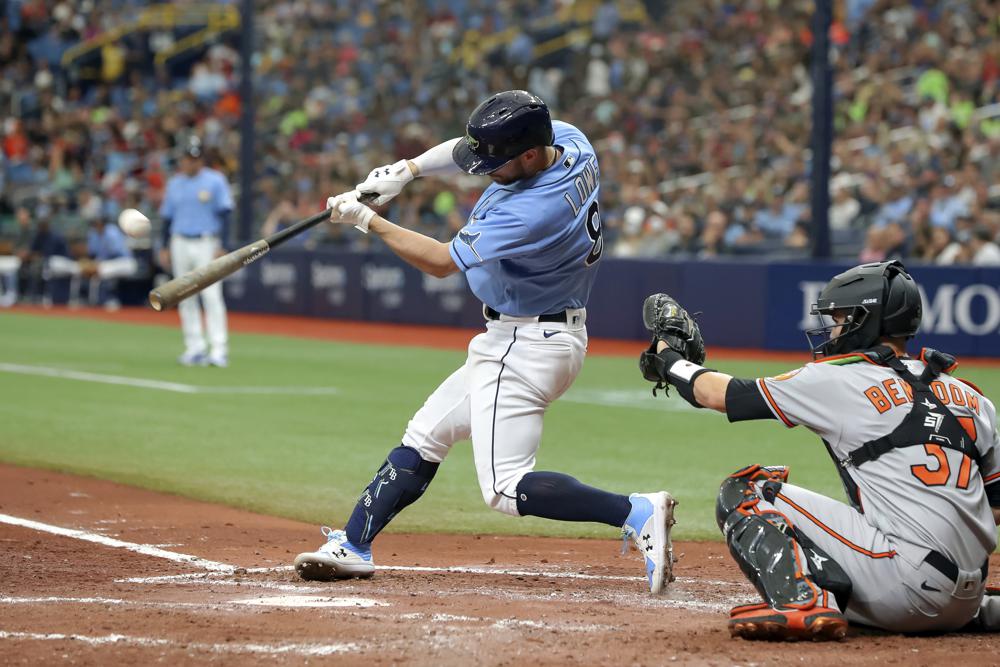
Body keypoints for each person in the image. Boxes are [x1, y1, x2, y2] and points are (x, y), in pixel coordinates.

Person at [293, 90, 676, 594]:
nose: (483, 171)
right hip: (527, 334)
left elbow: (440, 263)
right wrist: (407, 171)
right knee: (426, 434)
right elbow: (468, 149)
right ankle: (354, 545)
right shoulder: (571, 141)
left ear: (531, 155)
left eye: (496, 163)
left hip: (526, 343)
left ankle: (636, 511)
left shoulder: (531, 212)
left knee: (505, 488)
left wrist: (368, 221)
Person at [638, 261, 999, 640]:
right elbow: (995, 508)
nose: (834, 327)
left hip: (904, 594)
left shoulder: (840, 377)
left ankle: (800, 601)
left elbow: (717, 394)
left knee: (746, 491)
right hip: (966, 602)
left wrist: (668, 359)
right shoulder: (972, 397)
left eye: (842, 317)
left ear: (869, 320)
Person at [158, 136, 234, 367]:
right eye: (187, 158)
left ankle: (218, 349)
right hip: (179, 239)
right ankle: (195, 348)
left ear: (201, 159)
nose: (191, 162)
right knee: (184, 296)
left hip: (206, 241)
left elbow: (226, 214)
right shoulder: (175, 183)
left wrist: (223, 244)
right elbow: (166, 217)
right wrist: (163, 246)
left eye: (195, 158)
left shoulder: (215, 180)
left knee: (211, 296)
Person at [46, 216, 137, 309]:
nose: (95, 226)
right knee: (92, 269)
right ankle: (94, 299)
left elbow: (114, 254)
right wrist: (89, 263)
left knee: (101, 269)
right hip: (106, 263)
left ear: (102, 223)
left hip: (125, 262)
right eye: (94, 224)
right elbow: (92, 253)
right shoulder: (94, 233)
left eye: (97, 223)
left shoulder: (111, 232)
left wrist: (95, 265)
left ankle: (108, 299)